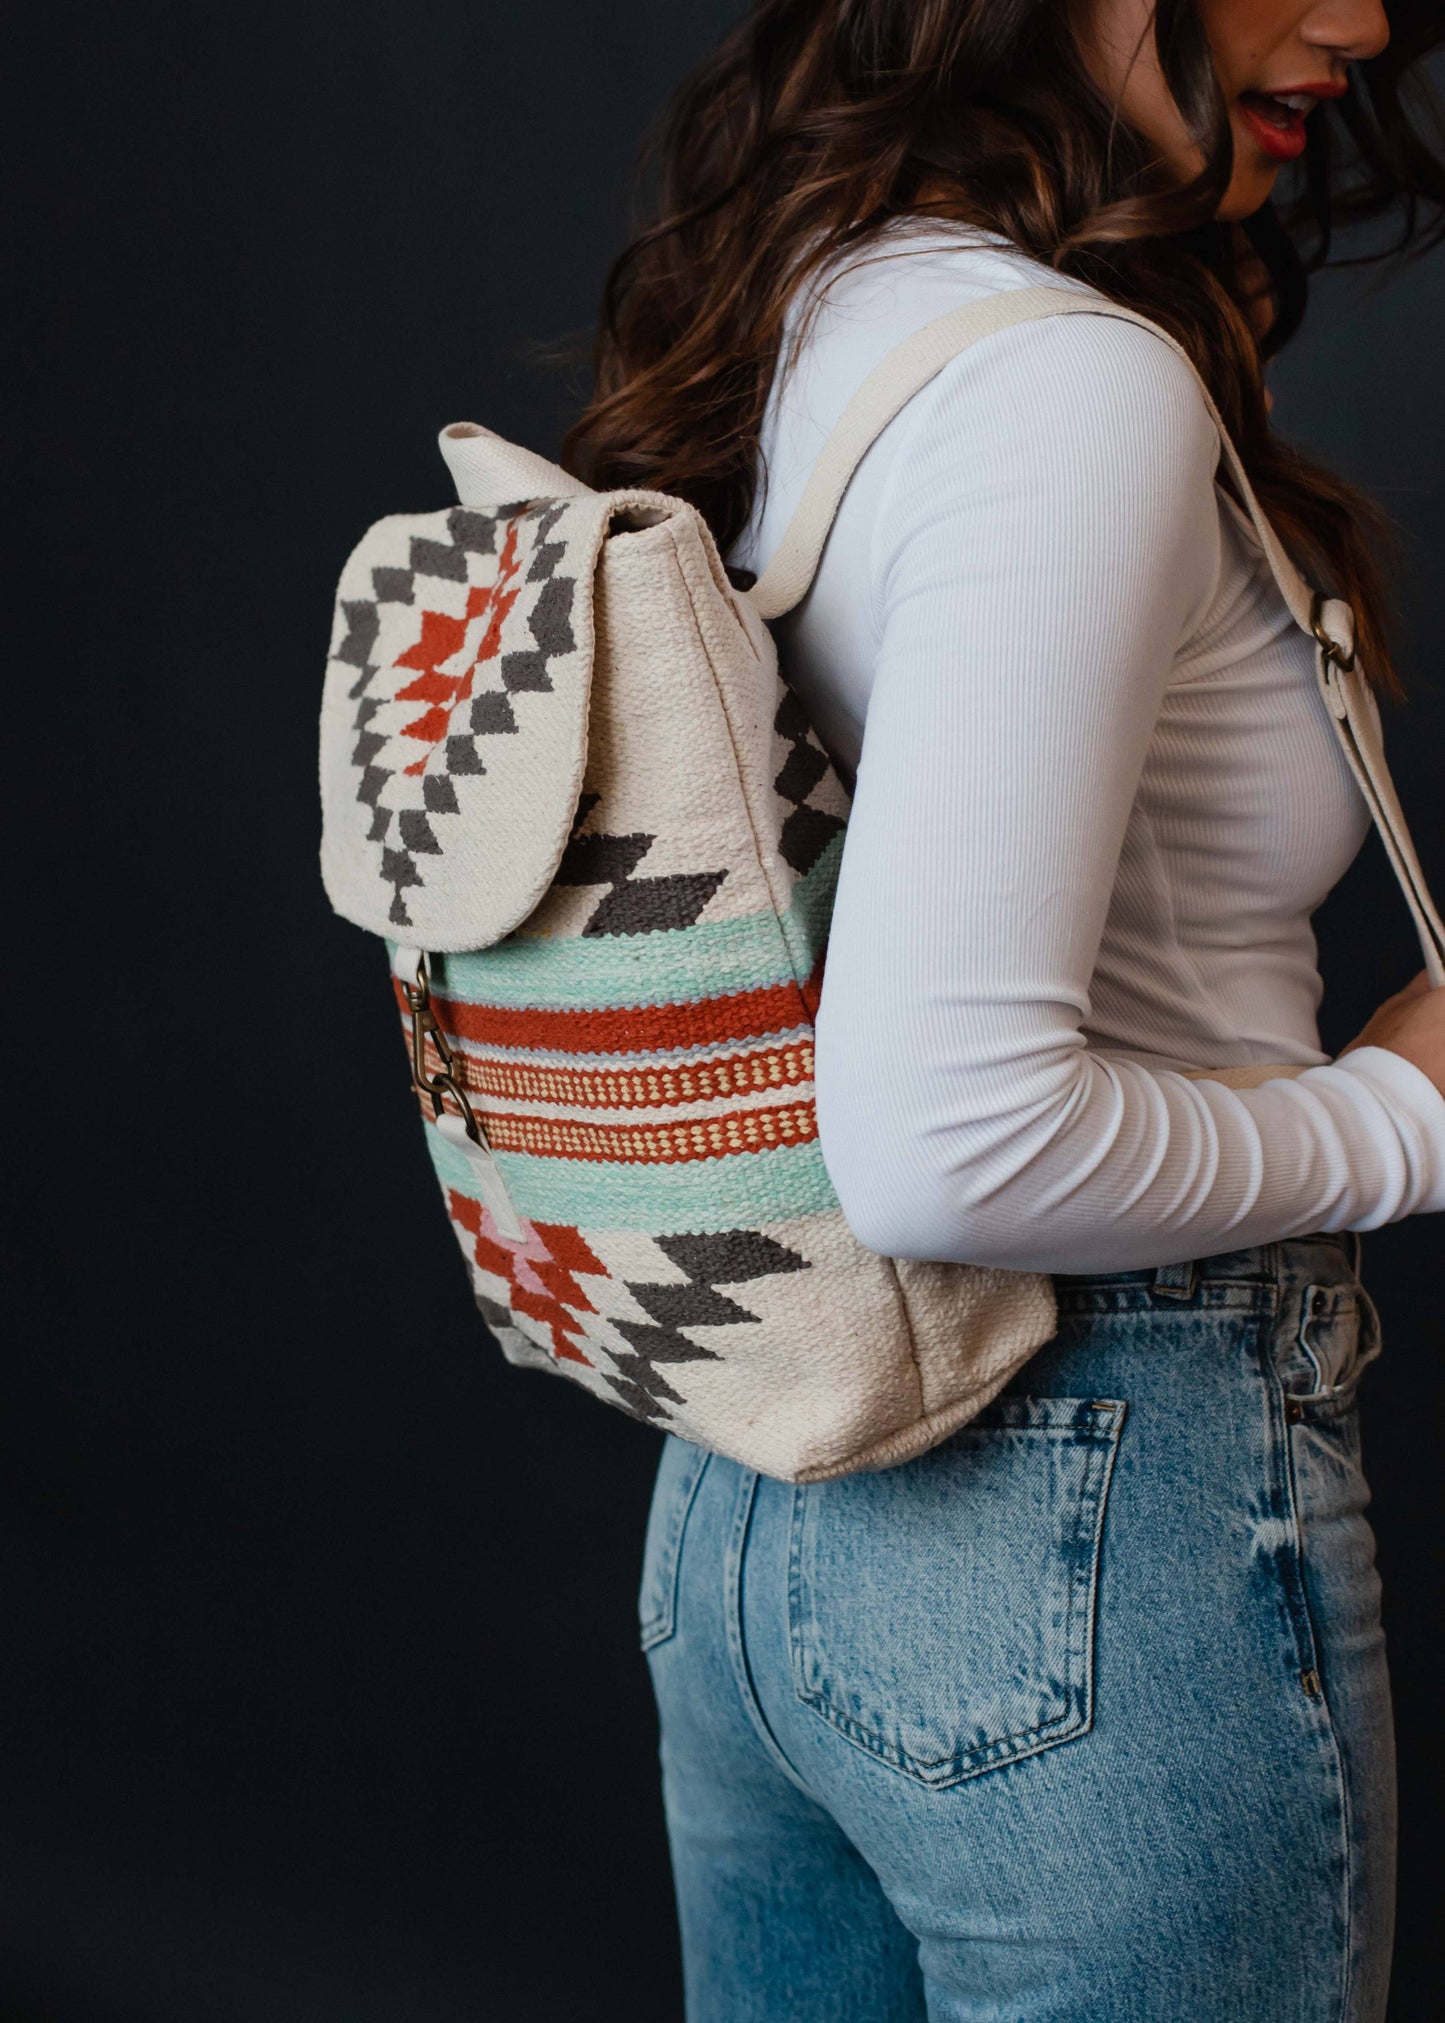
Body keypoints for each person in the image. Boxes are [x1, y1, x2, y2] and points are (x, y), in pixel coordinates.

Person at [563, 4, 1445, 2016]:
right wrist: (1404, 1117)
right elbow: (949, 1139)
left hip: (764, 1501)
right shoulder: (1068, 386)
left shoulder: (836, 298)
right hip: (1095, 1507)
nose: (1371, 19)